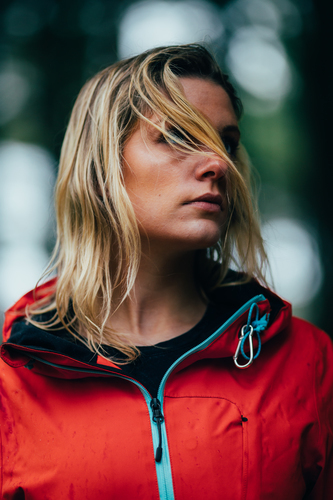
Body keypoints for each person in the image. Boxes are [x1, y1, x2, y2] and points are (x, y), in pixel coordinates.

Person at [0, 44, 332, 500]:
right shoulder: (14, 378)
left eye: (227, 143)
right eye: (176, 136)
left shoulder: (307, 361)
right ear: (101, 165)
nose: (218, 164)